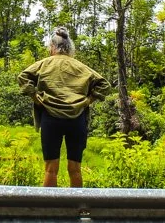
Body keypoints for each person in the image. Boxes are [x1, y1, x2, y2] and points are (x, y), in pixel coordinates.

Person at [18, 27, 112, 187]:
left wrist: (35, 97)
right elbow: (104, 84)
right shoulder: (80, 66)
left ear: (52, 47)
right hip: (77, 119)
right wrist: (88, 101)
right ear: (69, 49)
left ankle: (50, 204)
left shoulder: (44, 63)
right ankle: (77, 203)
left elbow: (23, 76)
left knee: (50, 169)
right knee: (75, 169)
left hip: (50, 118)